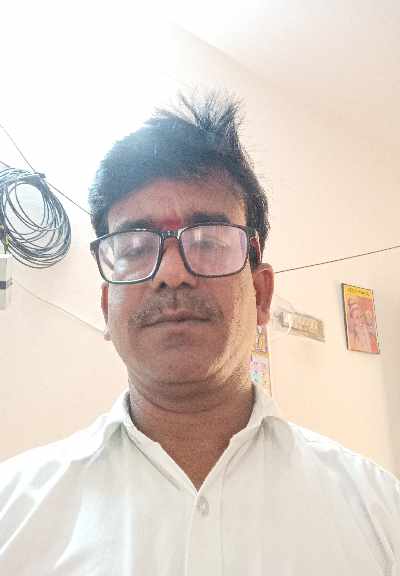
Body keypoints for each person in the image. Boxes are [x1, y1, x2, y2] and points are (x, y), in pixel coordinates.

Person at [0, 94, 399, 575]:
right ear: (107, 308)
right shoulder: (13, 517)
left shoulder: (380, 512)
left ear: (261, 293)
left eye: (208, 240)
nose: (172, 274)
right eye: (135, 247)